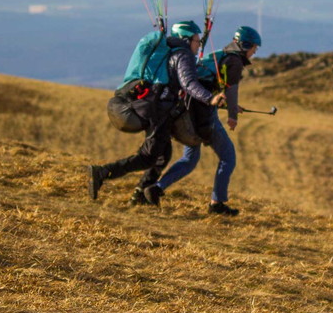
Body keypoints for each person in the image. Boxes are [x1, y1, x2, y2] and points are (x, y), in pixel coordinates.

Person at [88, 21, 225, 205]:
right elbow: (189, 83)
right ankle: (102, 172)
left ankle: (141, 196)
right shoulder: (183, 55)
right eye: (196, 40)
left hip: (158, 109)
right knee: (148, 157)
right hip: (159, 111)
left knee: (163, 154)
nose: (198, 44)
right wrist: (210, 98)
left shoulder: (173, 53)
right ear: (186, 39)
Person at [142, 26, 262, 215]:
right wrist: (232, 115)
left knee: (190, 159)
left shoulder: (220, 55)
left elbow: (208, 84)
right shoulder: (234, 61)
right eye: (254, 47)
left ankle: (156, 188)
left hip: (188, 112)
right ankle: (217, 203)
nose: (255, 52)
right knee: (228, 156)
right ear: (245, 45)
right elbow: (231, 89)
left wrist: (229, 104)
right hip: (203, 116)